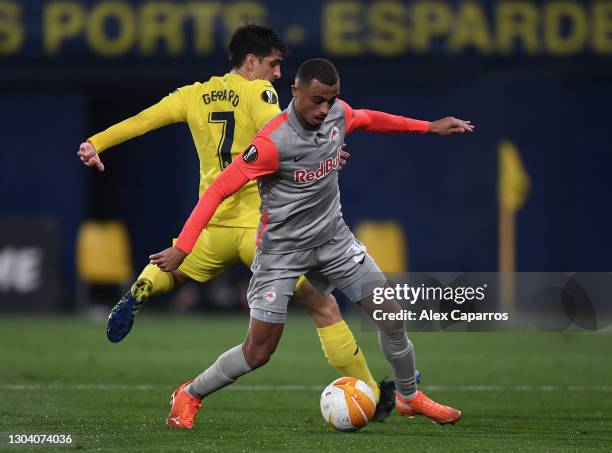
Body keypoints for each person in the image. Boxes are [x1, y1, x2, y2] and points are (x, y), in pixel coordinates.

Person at [77, 25, 395, 421]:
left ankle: (142, 286)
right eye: (274, 64)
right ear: (251, 62)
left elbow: (144, 120)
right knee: (324, 305)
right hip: (259, 229)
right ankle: (372, 393)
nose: (278, 74)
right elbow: (280, 131)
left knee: (176, 271)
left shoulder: (192, 94)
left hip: (212, 226)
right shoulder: (258, 94)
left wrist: (97, 142)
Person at [152, 58, 474, 429]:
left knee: (391, 315)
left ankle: (408, 395)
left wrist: (429, 127)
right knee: (259, 352)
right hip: (282, 254)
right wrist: (185, 246)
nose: (325, 109)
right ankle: (189, 393)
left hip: (333, 241)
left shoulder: (337, 114)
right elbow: (220, 188)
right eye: (318, 100)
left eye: (332, 99)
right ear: (295, 93)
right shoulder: (272, 142)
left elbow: (368, 118)